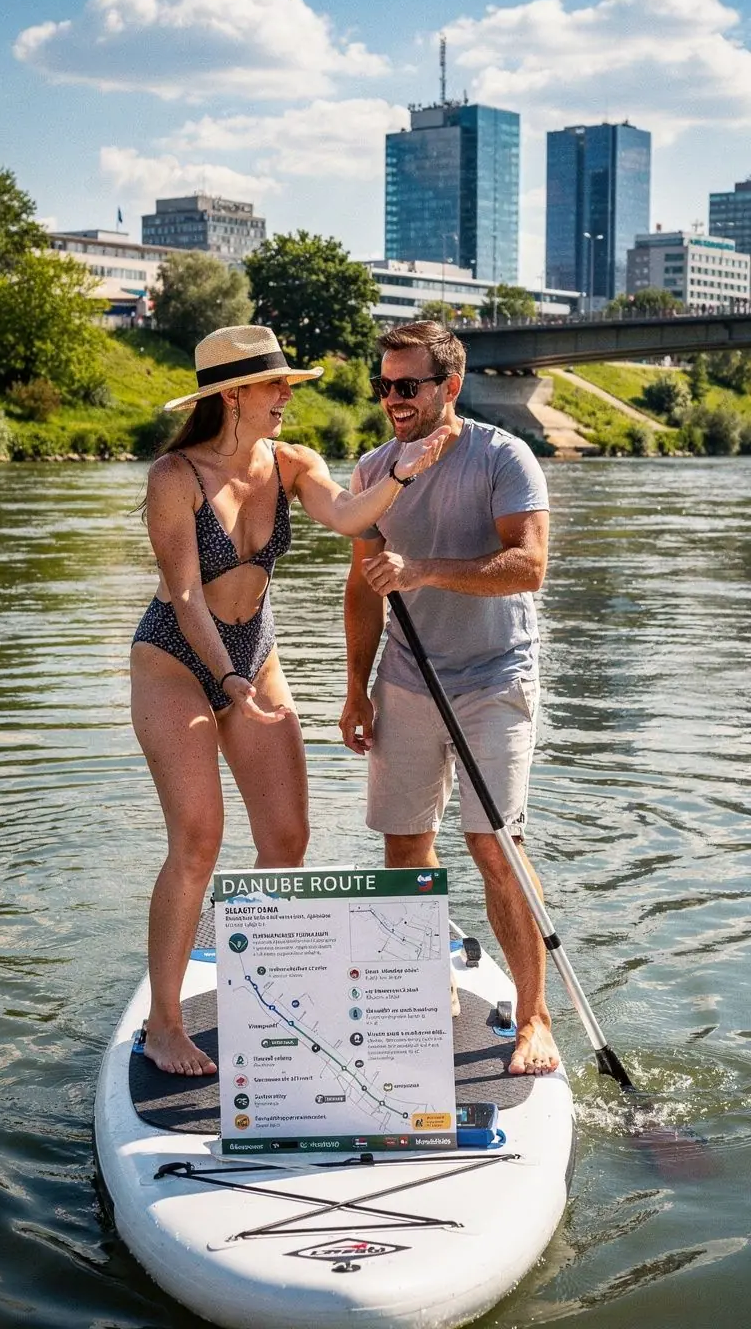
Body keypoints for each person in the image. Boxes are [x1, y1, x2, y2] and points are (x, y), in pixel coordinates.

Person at [131, 324, 447, 1076]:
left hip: (256, 651)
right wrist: (226, 679)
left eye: (287, 385)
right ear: (233, 395)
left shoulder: (293, 462)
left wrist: (401, 478)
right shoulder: (175, 476)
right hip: (176, 657)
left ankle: (270, 995)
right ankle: (165, 1024)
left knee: (287, 839)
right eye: (275, 385)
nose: (286, 396)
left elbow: (348, 516)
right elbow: (184, 594)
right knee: (198, 839)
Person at [338, 320, 559, 1076]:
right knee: (404, 842)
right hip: (407, 676)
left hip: (496, 675)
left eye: (408, 385)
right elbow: (362, 589)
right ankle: (419, 986)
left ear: (450, 387)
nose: (392, 398)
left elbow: (529, 566)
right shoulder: (374, 470)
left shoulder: (503, 457)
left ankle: (534, 1017)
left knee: (494, 844)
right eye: (383, 384)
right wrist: (356, 690)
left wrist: (424, 569)